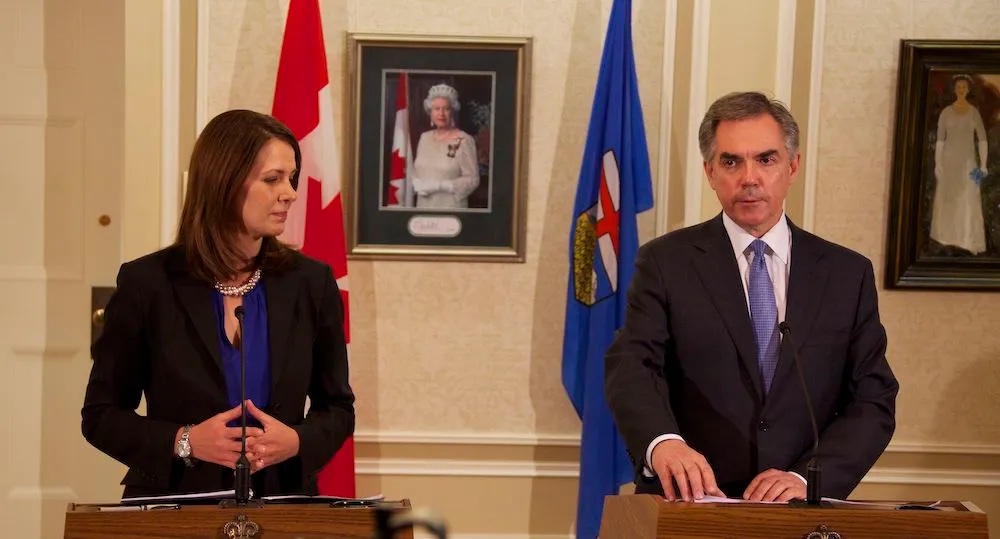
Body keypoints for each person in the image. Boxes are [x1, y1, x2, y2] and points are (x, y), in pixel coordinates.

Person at [604, 91, 898, 504]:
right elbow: (632, 364)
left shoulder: (847, 274)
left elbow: (873, 398)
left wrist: (806, 478)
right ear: (709, 171)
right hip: (690, 503)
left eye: (766, 159)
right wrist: (663, 443)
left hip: (798, 510)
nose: (749, 177)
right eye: (731, 162)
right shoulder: (666, 261)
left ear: (792, 166)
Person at [81, 109, 355, 498]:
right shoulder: (149, 284)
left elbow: (338, 409)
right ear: (224, 183)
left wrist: (295, 442)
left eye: (291, 178)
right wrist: (185, 441)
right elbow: (101, 416)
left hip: (283, 504)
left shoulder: (310, 283)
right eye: (273, 179)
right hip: (174, 506)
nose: (290, 192)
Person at [931, 74, 989, 255]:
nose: (961, 90)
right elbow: (940, 141)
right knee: (949, 199)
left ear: (968, 90)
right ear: (954, 90)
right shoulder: (946, 113)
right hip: (949, 163)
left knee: (968, 199)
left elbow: (982, 140)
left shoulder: (973, 112)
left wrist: (984, 164)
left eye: (964, 87)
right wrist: (938, 163)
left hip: (968, 164)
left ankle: (967, 240)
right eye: (958, 87)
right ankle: (947, 238)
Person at [410, 83, 480, 209]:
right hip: (423, 206)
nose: (441, 114)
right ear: (430, 112)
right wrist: (415, 181)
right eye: (436, 109)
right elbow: (417, 169)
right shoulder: (424, 138)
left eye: (446, 109)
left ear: (452, 111)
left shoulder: (464, 140)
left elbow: (473, 180)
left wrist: (441, 186)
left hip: (450, 208)